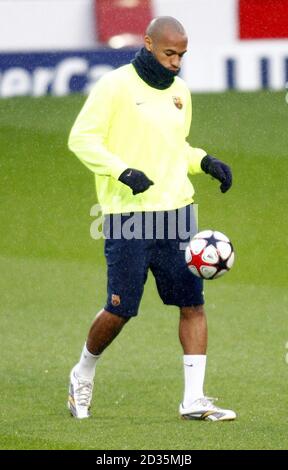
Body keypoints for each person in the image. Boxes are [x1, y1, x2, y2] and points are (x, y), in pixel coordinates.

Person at [67, 16, 236, 422]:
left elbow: (175, 148)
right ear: (148, 43)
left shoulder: (180, 93)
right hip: (128, 216)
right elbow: (82, 138)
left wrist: (204, 161)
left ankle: (193, 399)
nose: (177, 62)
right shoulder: (115, 86)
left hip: (178, 212)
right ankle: (82, 373)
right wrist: (121, 170)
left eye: (182, 55)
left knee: (192, 304)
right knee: (119, 309)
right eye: (169, 53)